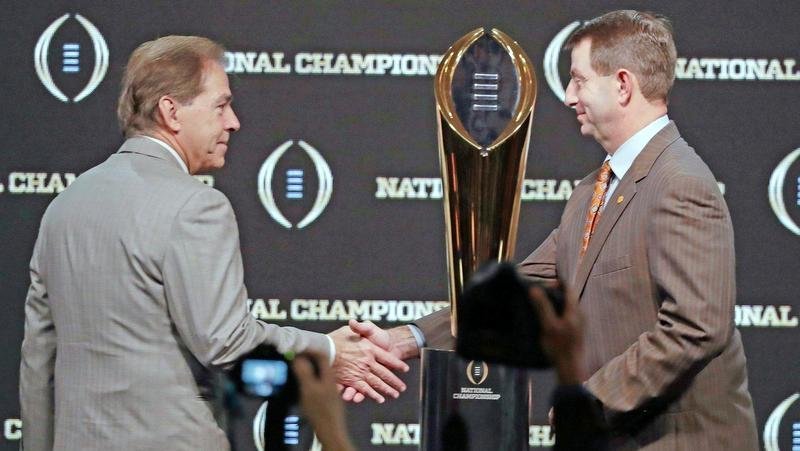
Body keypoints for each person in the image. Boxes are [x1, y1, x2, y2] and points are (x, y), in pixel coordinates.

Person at [348, 10, 759, 450]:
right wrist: (405, 340)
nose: (567, 96)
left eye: (579, 80)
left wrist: (593, 400)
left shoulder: (679, 184)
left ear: (623, 85)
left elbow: (697, 326)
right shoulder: (593, 190)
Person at [19, 35, 407, 451]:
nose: (233, 122)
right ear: (171, 112)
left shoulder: (65, 206)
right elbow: (227, 342)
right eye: (220, 106)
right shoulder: (196, 205)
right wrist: (329, 351)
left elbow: (38, 361)